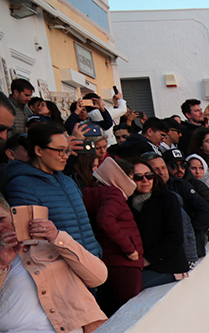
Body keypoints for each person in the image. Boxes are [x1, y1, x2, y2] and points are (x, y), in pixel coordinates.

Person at [0, 199, 107, 333]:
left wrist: (57, 237)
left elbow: (98, 276)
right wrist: (2, 264)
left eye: (1, 219)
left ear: (12, 216)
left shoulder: (46, 244)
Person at [5, 123, 101, 258]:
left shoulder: (68, 181)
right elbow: (31, 241)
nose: (65, 156)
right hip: (60, 267)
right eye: (60, 150)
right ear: (38, 151)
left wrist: (95, 251)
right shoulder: (22, 186)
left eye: (67, 150)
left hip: (90, 261)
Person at [75, 156, 142, 315]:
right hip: (124, 263)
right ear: (120, 176)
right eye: (131, 176)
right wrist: (130, 249)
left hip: (111, 261)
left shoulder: (96, 194)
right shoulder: (114, 193)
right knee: (128, 313)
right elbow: (106, 219)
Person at [121, 159, 189, 288]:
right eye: (138, 177)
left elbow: (175, 237)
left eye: (149, 176)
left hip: (168, 266)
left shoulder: (167, 198)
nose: (145, 180)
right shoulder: (127, 203)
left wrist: (147, 260)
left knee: (130, 286)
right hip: (141, 265)